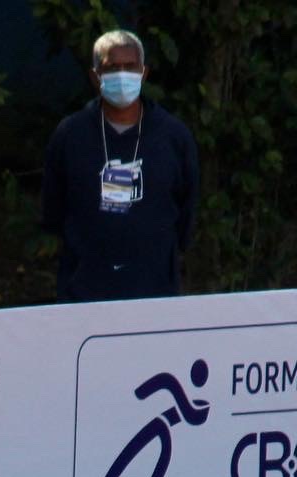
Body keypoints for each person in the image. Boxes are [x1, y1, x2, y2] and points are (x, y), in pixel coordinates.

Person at [41, 28, 199, 304]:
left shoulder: (173, 137)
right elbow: (54, 210)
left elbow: (186, 212)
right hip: (84, 291)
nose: (122, 74)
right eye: (112, 67)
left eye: (130, 66)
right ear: (95, 76)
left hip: (155, 290)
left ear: (144, 73)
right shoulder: (70, 135)